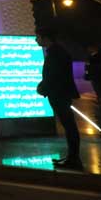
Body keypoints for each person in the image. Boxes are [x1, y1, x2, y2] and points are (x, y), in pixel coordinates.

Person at [37, 29, 82, 170]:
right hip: (60, 93)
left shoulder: (56, 53)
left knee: (69, 126)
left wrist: (43, 87)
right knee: (68, 125)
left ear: (46, 38)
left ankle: (74, 159)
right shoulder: (57, 51)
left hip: (59, 94)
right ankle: (72, 157)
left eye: (38, 37)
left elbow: (54, 75)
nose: (36, 40)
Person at [84, 42, 101, 133]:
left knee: (100, 92)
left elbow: (92, 68)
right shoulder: (96, 57)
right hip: (97, 78)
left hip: (98, 78)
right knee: (99, 92)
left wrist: (88, 75)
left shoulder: (97, 58)